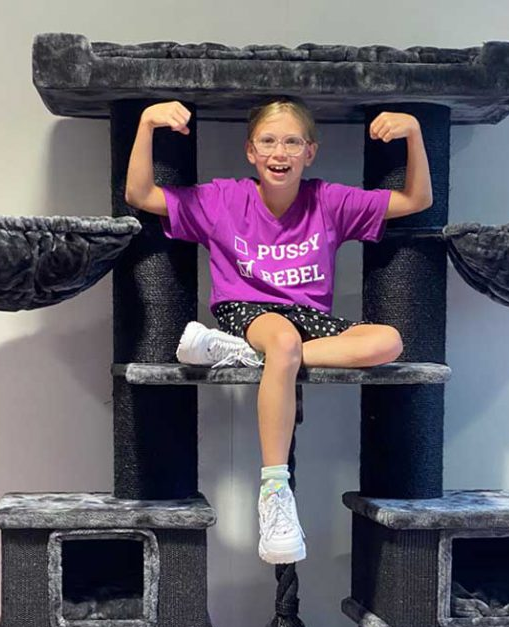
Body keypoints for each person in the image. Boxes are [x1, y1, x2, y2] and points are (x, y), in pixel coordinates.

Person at [124, 96, 433, 566]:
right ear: (250, 151)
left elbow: (417, 200)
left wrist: (414, 132)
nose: (279, 152)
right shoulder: (223, 199)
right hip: (248, 312)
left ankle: (249, 356)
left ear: (310, 152)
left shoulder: (329, 200)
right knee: (284, 341)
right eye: (268, 141)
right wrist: (147, 123)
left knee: (388, 341)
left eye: (292, 142)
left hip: (308, 318)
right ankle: (274, 491)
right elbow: (140, 194)